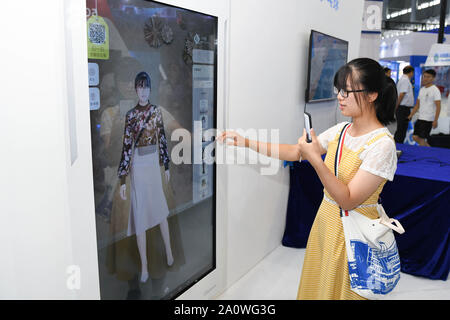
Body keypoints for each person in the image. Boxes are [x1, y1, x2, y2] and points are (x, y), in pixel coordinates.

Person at [218, 58, 398, 300]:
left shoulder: (382, 145)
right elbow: (295, 151)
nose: (340, 97)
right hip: (326, 222)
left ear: (372, 95)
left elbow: (348, 200)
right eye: (339, 90)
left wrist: (316, 160)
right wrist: (247, 142)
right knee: (319, 287)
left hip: (354, 234)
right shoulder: (341, 130)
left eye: (347, 91)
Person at [118, 71, 174, 283]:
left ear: (150, 89)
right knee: (140, 214)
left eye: (146, 87)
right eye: (139, 87)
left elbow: (162, 139)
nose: (143, 91)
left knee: (160, 210)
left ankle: (169, 252)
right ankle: (144, 267)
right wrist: (123, 179)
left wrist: (166, 165)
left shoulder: (156, 112)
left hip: (152, 165)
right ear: (136, 89)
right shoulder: (131, 115)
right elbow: (125, 147)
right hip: (138, 166)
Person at [407, 69, 441, 147]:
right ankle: (429, 150)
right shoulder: (422, 90)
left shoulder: (435, 90)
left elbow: (438, 107)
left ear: (433, 78)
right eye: (424, 76)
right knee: (415, 137)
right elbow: (417, 105)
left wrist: (435, 120)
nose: (425, 78)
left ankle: (427, 152)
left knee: (420, 138)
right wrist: (410, 115)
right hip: (420, 118)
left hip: (428, 119)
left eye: (428, 77)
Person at [394, 65, 415, 143]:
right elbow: (402, 94)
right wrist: (397, 105)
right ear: (411, 72)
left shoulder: (402, 80)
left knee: (402, 128)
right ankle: (398, 145)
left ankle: (398, 144)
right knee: (401, 129)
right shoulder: (405, 80)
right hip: (402, 108)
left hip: (402, 108)